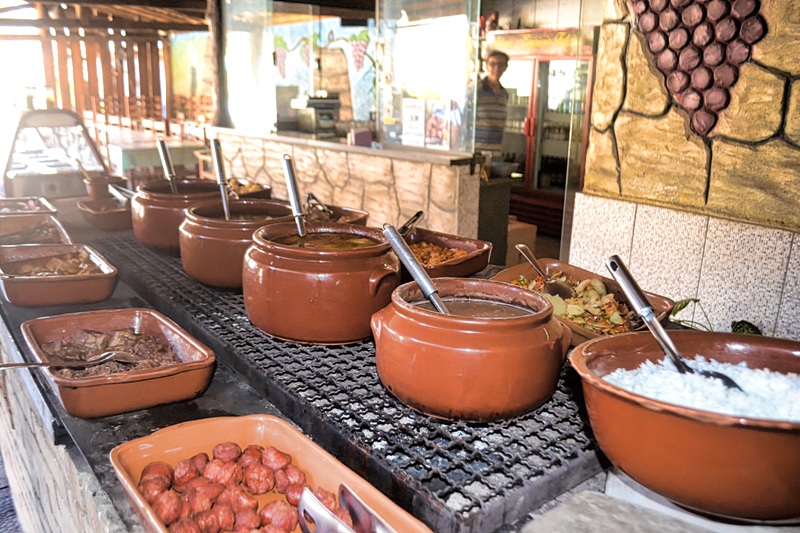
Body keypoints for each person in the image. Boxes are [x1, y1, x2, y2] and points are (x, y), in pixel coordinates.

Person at [474, 50, 509, 158]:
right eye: (493, 64)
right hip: (477, 152)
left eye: (500, 64)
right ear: (486, 66)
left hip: (496, 152)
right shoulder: (476, 89)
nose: (496, 68)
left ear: (505, 68)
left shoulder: (504, 94)